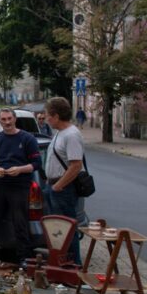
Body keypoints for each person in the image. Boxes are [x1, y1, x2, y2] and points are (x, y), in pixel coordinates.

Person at [0, 108, 42, 263]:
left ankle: (24, 258)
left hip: (20, 185)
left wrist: (20, 170)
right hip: (0, 184)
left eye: (9, 118)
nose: (7, 122)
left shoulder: (27, 138)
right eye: (4, 119)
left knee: (20, 222)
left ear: (15, 119)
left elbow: (36, 164)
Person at [43, 97, 87, 265]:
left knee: (66, 229)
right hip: (54, 186)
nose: (45, 118)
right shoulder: (60, 133)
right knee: (57, 230)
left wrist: (58, 186)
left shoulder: (72, 134)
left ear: (55, 116)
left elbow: (76, 165)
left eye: (47, 115)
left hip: (63, 189)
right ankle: (61, 262)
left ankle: (73, 264)